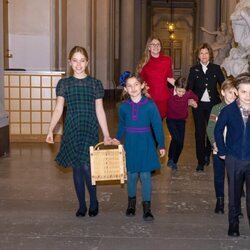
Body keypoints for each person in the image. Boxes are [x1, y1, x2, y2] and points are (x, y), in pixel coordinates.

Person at [46, 46, 112, 218]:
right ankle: (82, 204)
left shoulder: (95, 84)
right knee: (77, 168)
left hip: (89, 128)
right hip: (72, 129)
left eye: (82, 60)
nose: (78, 64)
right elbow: (58, 109)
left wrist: (106, 134)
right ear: (69, 62)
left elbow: (100, 111)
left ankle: (94, 201)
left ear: (87, 62)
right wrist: (50, 129)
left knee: (87, 167)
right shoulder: (64, 84)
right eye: (75, 60)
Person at [112, 71, 165, 221]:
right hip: (131, 143)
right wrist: (117, 138)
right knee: (132, 175)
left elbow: (157, 125)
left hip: (146, 142)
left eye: (136, 84)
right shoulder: (123, 107)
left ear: (142, 86)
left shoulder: (150, 105)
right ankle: (131, 204)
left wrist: (161, 144)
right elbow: (122, 124)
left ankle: (147, 207)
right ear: (125, 89)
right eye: (129, 86)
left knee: (146, 175)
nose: (133, 88)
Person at [214, 72, 250, 237]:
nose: (247, 96)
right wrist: (222, 151)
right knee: (234, 194)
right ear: (236, 91)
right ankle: (233, 225)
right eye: (243, 92)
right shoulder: (228, 110)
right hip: (234, 159)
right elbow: (218, 130)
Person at [187, 43, 225, 171]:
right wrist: (190, 100)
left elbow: (223, 85)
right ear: (198, 55)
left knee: (211, 131)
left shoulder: (216, 68)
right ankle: (200, 160)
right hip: (197, 106)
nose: (204, 55)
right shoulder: (194, 69)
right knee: (199, 133)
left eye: (206, 53)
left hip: (213, 106)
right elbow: (189, 89)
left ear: (210, 55)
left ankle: (207, 155)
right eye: (201, 53)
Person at [206, 77, 237, 214]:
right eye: (230, 92)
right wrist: (214, 143)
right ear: (223, 93)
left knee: (234, 177)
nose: (233, 95)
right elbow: (210, 128)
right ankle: (219, 201)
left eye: (235, 92)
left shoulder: (240, 109)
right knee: (219, 176)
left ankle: (234, 203)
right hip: (218, 148)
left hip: (235, 150)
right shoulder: (216, 109)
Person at [136, 37, 173, 119]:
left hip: (163, 98)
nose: (156, 46)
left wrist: (182, 88)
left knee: (159, 124)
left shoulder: (167, 60)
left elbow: (169, 78)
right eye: (153, 44)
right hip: (149, 98)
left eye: (158, 44)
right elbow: (140, 82)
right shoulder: (144, 63)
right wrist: (145, 92)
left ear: (161, 47)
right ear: (149, 47)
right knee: (149, 125)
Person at [166, 77, 198, 171]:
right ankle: (170, 158)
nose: (181, 94)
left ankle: (174, 161)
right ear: (175, 87)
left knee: (180, 143)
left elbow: (196, 98)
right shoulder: (170, 92)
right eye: (179, 91)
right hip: (171, 119)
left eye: (183, 92)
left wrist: (192, 102)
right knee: (175, 138)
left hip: (181, 121)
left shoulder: (188, 93)